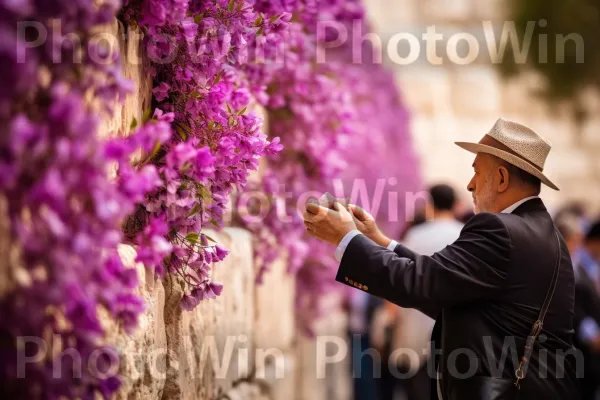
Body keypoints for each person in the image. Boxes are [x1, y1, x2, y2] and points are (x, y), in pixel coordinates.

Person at [303, 118, 580, 399]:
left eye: (476, 172)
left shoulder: (500, 230)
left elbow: (423, 282)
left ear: (501, 178)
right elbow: (444, 285)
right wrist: (379, 241)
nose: (470, 185)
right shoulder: (548, 236)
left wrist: (347, 239)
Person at [372, 183, 464, 400]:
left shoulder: (414, 235)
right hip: (454, 334)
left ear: (429, 204)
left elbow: (394, 280)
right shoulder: (465, 235)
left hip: (413, 331)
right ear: (455, 205)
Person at [569, 220, 600, 400]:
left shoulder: (593, 266)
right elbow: (574, 305)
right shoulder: (577, 266)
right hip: (580, 350)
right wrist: (592, 335)